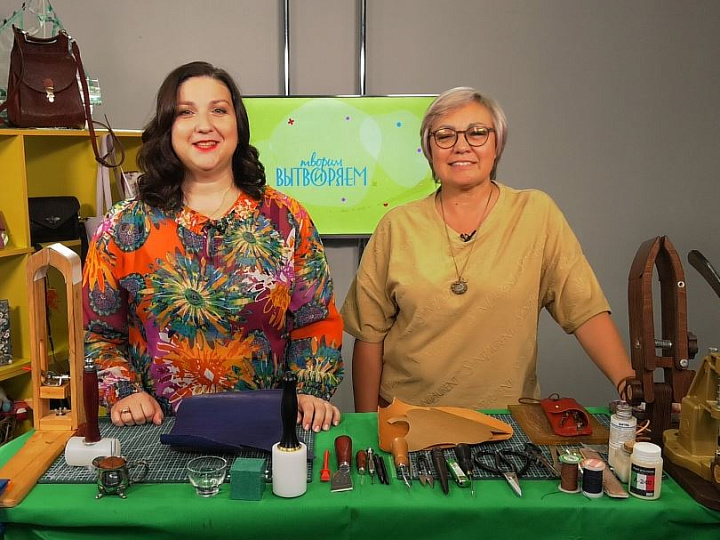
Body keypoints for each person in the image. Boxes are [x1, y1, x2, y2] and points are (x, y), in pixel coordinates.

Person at [83, 61, 344, 432]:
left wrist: (308, 390)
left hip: (268, 426)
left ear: (238, 124)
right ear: (167, 127)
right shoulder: (124, 226)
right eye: (186, 112)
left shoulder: (286, 219)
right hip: (157, 429)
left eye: (219, 110)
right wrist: (124, 392)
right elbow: (98, 335)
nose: (204, 125)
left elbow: (315, 322)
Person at [342, 87, 634, 412]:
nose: (461, 146)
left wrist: (630, 385)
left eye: (477, 133)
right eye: (445, 136)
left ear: (498, 145)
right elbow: (369, 336)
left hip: (509, 423)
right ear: (429, 150)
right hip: (406, 419)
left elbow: (585, 310)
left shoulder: (535, 214)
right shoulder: (397, 226)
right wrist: (366, 425)